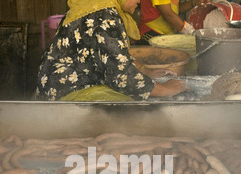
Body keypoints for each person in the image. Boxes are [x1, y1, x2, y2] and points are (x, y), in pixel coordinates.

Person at [35, 0, 188, 102]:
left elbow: (110, 55)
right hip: (67, 94)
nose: (139, 1)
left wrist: (144, 70)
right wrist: (165, 90)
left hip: (55, 87)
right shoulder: (104, 16)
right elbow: (121, 77)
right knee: (135, 112)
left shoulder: (93, 6)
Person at [138, 0, 210, 45]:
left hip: (165, 34)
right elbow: (168, 14)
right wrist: (192, 32)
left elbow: (175, 10)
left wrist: (193, 2)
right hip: (151, 33)